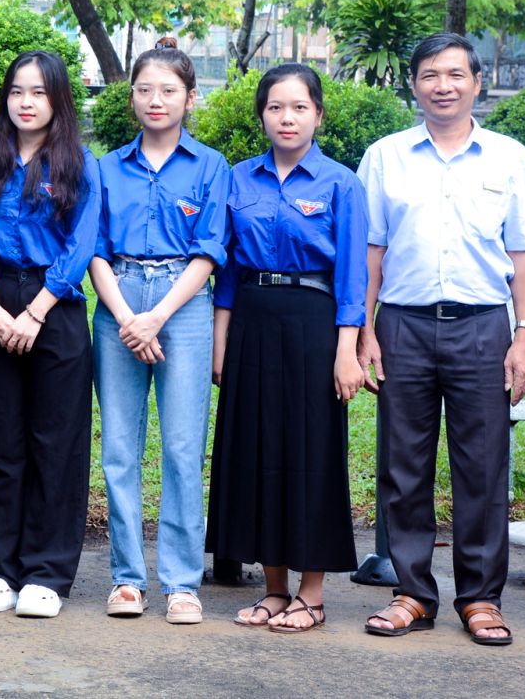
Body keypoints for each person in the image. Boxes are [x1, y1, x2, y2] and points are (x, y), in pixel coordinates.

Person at [357, 33, 525, 646]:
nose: (443, 85)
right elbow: (371, 252)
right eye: (430, 75)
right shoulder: (386, 156)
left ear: (476, 82)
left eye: (455, 74)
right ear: (413, 84)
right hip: (404, 325)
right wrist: (364, 330)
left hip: (485, 327)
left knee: (483, 467)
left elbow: (524, 255)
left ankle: (481, 599)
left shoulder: (510, 158)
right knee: (403, 465)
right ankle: (412, 592)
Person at [206, 64, 368, 633]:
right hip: (251, 318)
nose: (287, 117)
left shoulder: (340, 183)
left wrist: (347, 350)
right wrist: (221, 342)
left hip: (314, 322)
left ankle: (313, 594)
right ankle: (274, 590)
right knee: (256, 447)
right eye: (276, 107)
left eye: (299, 107)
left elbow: (352, 276)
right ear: (262, 115)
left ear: (318, 115)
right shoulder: (237, 179)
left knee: (311, 451)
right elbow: (224, 271)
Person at [89, 42, 231, 626]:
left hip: (185, 304)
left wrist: (157, 317)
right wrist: (127, 317)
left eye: (169, 90)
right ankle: (127, 579)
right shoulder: (105, 167)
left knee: (180, 447)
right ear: (131, 98)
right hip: (117, 296)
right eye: (145, 89)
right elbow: (93, 249)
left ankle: (179, 581)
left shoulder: (210, 166)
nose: (156, 100)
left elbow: (210, 251)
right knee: (120, 448)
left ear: (190, 98)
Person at [0, 52, 101, 619]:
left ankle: (47, 573)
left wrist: (37, 310)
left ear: (58, 100)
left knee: (56, 443)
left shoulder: (77, 165)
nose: (25, 102)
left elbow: (82, 242)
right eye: (17, 91)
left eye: (38, 92)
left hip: (55, 307)